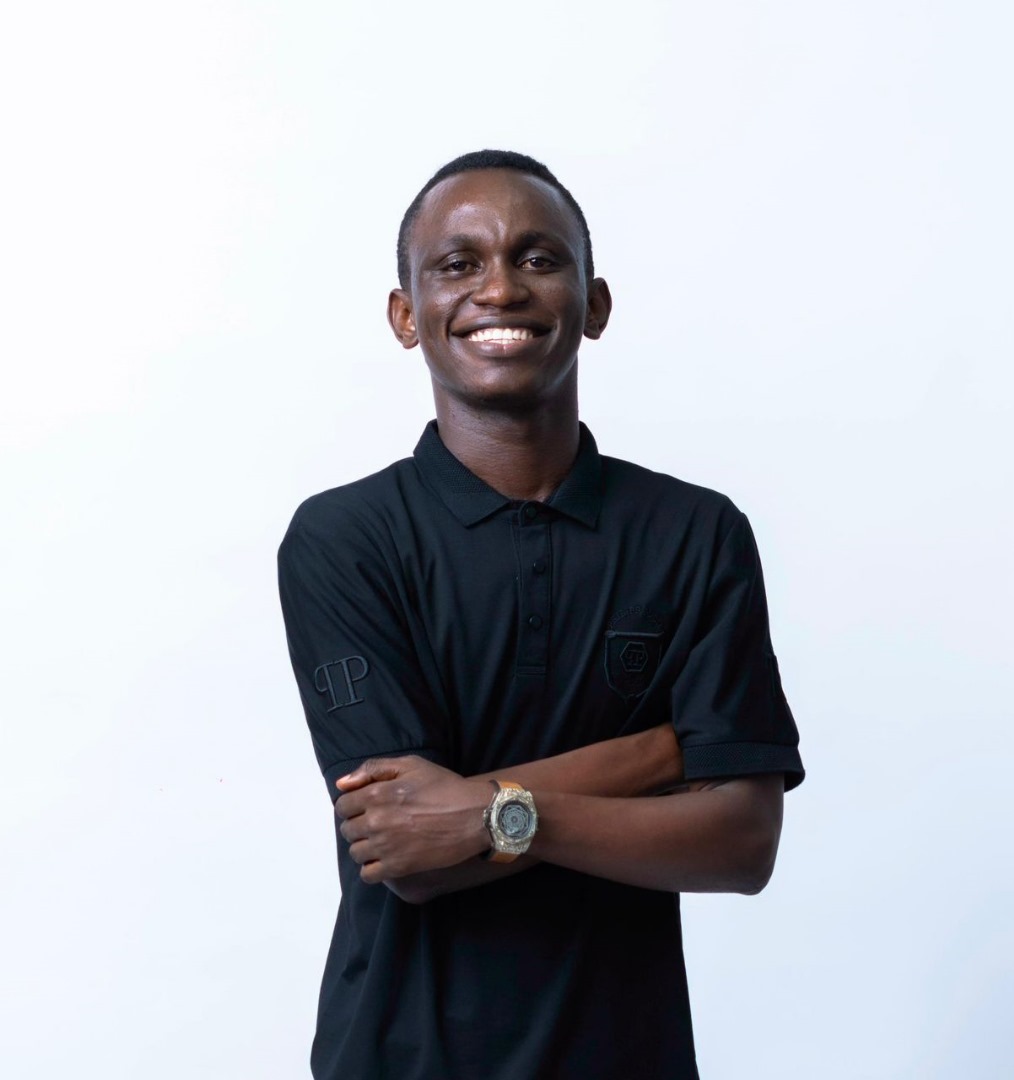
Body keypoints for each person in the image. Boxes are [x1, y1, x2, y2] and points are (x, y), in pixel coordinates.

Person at [278, 149, 804, 1080]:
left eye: (537, 258)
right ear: (406, 315)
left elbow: (743, 843)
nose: (499, 288)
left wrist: (488, 812)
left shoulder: (694, 533)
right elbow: (409, 852)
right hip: (396, 1059)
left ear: (593, 304)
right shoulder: (344, 539)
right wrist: (664, 754)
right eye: (458, 263)